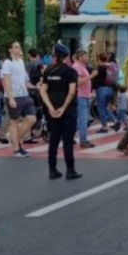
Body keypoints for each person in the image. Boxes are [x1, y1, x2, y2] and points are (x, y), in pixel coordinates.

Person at [39, 44, 81, 180]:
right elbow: (71, 91)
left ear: (54, 55)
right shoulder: (70, 72)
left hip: (51, 110)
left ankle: (52, 170)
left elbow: (43, 90)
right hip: (68, 110)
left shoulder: (48, 71)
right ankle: (70, 170)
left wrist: (50, 107)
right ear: (67, 56)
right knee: (68, 141)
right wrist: (63, 107)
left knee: (53, 140)